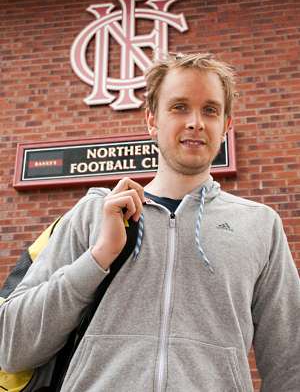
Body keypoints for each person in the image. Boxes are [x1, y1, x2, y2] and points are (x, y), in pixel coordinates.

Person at [0, 52, 299, 391]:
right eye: (179, 107)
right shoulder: (93, 213)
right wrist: (98, 258)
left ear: (225, 126)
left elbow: (290, 361)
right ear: (152, 121)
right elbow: (12, 348)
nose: (196, 122)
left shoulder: (260, 226)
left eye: (210, 110)